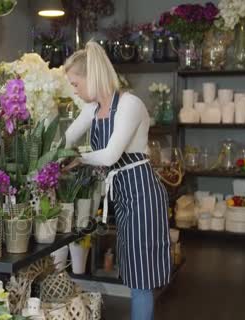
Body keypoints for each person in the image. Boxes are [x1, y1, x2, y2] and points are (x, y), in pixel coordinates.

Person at [62, 41, 171, 320]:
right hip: (122, 195)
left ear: (91, 76)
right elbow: (66, 139)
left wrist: (78, 158)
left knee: (141, 280)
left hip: (142, 195)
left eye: (75, 84)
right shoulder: (94, 109)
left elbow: (110, 155)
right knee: (132, 272)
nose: (75, 90)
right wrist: (47, 155)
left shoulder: (129, 104)